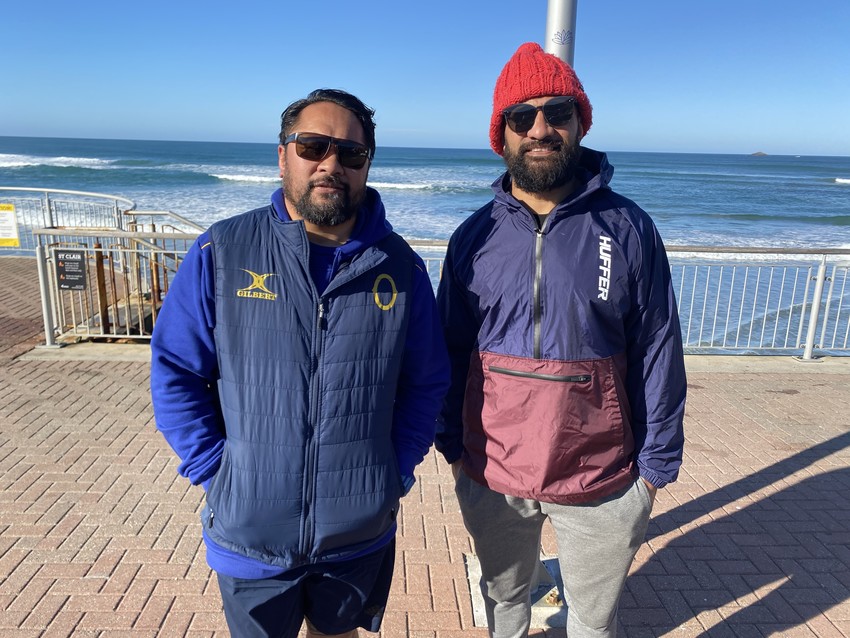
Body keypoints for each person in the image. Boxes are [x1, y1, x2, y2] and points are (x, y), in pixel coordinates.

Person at [150, 88, 450, 638]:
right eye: (312, 146)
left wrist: (394, 470)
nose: (330, 164)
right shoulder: (223, 252)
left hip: (358, 531)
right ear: (283, 154)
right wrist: (218, 472)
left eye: (351, 153)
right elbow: (176, 370)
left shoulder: (401, 268)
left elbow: (426, 383)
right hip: (250, 535)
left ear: (366, 165)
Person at [436, 43, 687, 638]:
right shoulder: (473, 236)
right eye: (522, 117)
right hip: (492, 471)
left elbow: (658, 346)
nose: (541, 129)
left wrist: (654, 468)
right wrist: (453, 447)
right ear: (502, 134)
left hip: (602, 477)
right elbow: (446, 350)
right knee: (506, 614)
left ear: (581, 122)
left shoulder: (627, 226)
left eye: (558, 112)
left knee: (594, 626)